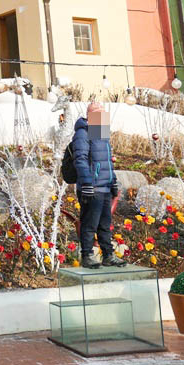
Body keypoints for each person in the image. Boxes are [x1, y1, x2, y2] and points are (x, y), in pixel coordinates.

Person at [72, 100, 125, 268]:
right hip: (92, 187)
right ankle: (87, 255)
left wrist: (113, 181)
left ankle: (108, 254)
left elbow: (107, 161)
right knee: (89, 222)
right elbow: (79, 159)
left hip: (105, 186)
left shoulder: (101, 133)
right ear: (90, 115)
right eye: (98, 113)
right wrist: (87, 182)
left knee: (104, 224)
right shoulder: (82, 133)